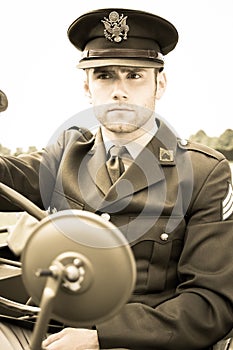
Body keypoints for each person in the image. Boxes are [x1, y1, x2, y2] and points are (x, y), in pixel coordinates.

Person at [0, 7, 233, 350]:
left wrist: (101, 337)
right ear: (87, 86)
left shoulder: (204, 172)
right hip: (49, 326)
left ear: (160, 83)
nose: (119, 92)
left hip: (140, 341)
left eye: (135, 75)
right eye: (105, 76)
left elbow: (211, 305)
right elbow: (7, 180)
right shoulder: (67, 153)